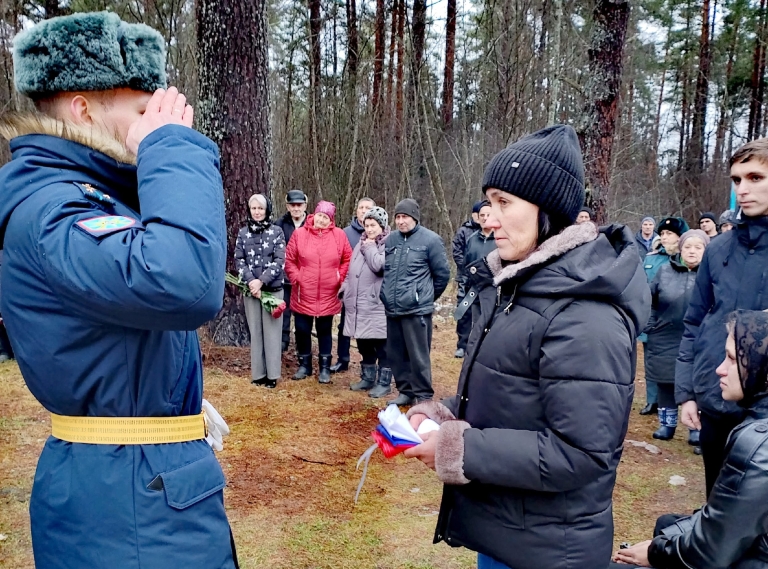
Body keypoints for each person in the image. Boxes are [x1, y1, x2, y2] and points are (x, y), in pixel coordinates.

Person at [0, 12, 236, 569]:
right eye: (140, 110)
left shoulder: (92, 199)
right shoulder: (55, 210)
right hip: (126, 499)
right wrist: (173, 147)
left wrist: (165, 396)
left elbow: (109, 331)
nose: (153, 122)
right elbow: (184, 282)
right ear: (83, 109)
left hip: (139, 477)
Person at [403, 125, 650, 569]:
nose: (488, 218)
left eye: (504, 203)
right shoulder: (517, 287)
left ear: (547, 209)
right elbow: (509, 395)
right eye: (488, 202)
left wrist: (458, 448)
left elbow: (580, 452)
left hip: (550, 549)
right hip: (505, 533)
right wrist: (440, 414)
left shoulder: (586, 313)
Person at [612, 309, 768, 569]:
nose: (720, 369)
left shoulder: (758, 444)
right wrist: (668, 537)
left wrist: (655, 552)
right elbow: (727, 518)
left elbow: (710, 553)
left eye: (732, 358)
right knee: (667, 524)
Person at [676, 137, 768, 499]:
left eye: (756, 177)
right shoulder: (717, 250)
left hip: (763, 416)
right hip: (716, 398)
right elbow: (695, 322)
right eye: (737, 179)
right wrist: (687, 392)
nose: (743, 189)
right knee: (717, 505)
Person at [380, 198, 450, 406]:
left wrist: (423, 296)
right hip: (393, 308)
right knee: (395, 354)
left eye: (405, 217)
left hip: (416, 310)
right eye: (398, 217)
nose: (401, 221)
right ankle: (405, 391)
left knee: (418, 356)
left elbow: (442, 275)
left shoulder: (431, 240)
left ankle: (423, 395)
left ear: (415, 218)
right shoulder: (391, 240)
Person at [645, 230, 709, 448]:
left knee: (697, 380)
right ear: (680, 249)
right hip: (664, 334)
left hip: (698, 337)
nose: (692, 251)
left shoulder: (711, 274)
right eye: (688, 247)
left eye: (697, 247)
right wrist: (650, 325)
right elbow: (650, 301)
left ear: (706, 250)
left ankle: (695, 427)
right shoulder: (664, 271)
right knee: (665, 380)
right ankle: (667, 424)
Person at [284, 201, 352, 383]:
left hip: (328, 293)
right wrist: (297, 277)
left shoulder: (339, 235)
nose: (322, 220)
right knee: (302, 330)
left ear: (331, 220)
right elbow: (289, 260)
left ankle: (324, 368)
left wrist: (339, 276)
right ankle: (304, 365)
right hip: (302, 292)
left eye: (326, 217)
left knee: (324, 331)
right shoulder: (299, 234)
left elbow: (347, 258)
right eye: (320, 216)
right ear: (314, 215)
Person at [234, 194, 286, 389]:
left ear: (267, 210)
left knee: (272, 333)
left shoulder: (277, 232)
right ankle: (258, 374)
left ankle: (272, 375)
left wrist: (262, 282)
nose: (257, 212)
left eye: (260, 209)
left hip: (272, 291)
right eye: (254, 208)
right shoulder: (242, 233)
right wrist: (251, 281)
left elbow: (280, 261)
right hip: (251, 292)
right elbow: (239, 259)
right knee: (255, 332)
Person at [340, 206, 392, 396]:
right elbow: (351, 268)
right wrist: (345, 288)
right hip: (357, 303)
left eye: (373, 225)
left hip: (376, 303)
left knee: (382, 346)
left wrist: (370, 246)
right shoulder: (361, 242)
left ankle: (384, 383)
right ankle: (367, 378)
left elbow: (378, 265)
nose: (369, 229)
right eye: (367, 225)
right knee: (363, 343)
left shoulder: (388, 243)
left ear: (382, 226)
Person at [640, 216, 688, 416]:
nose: (665, 237)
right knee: (652, 360)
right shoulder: (651, 258)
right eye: (664, 234)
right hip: (654, 319)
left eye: (670, 234)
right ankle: (653, 400)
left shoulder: (686, 259)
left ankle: (679, 400)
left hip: (678, 322)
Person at [331, 197, 375, 373]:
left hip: (370, 289)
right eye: (361, 207)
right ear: (356, 211)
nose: (363, 211)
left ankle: (370, 362)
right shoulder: (345, 233)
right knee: (344, 325)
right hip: (349, 286)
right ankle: (343, 359)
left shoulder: (378, 232)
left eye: (367, 208)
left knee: (369, 327)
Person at [275, 189, 307, 353]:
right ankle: (283, 341)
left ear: (305, 206)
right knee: (284, 311)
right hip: (284, 276)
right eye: (293, 205)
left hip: (305, 277)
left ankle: (302, 348)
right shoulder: (279, 225)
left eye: (299, 205)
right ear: (287, 206)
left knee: (302, 314)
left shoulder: (311, 224)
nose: (296, 208)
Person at [454, 201, 496, 327]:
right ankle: (462, 346)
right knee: (466, 323)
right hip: (472, 290)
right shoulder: (471, 239)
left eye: (488, 215)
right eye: (482, 215)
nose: (485, 218)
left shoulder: (501, 239)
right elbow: (465, 262)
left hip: (492, 291)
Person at [452, 201, 483, 358]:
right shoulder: (464, 231)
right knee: (463, 312)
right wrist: (467, 269)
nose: (482, 218)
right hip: (466, 279)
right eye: (479, 214)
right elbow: (456, 251)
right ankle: (462, 345)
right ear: (473, 215)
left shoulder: (491, 232)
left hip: (484, 280)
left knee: (483, 312)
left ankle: (479, 346)